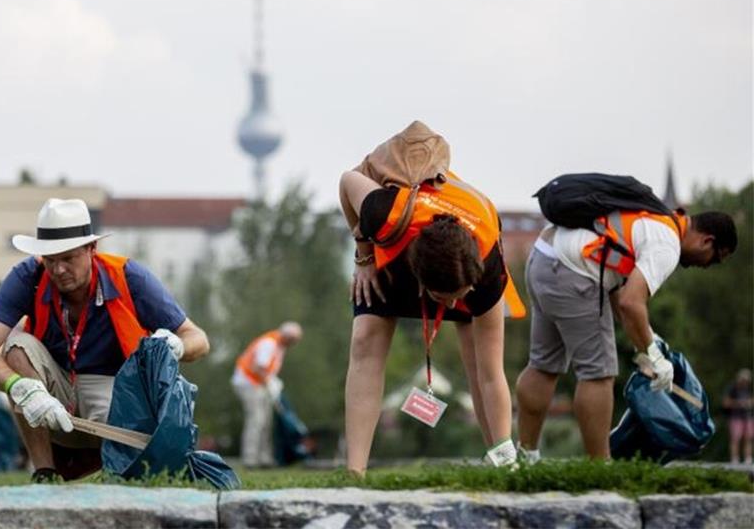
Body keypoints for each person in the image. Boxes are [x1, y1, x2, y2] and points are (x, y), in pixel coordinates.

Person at [0, 198, 210, 483]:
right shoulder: (27, 276)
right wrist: (20, 387)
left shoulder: (129, 277)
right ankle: (45, 473)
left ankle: (119, 467)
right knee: (18, 348)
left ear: (91, 249)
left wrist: (176, 346)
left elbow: (199, 340)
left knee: (133, 467)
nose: (58, 270)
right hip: (51, 390)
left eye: (68, 258)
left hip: (117, 391)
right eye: (51, 260)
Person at [339, 129, 526, 474]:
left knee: (480, 358)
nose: (452, 307)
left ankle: (501, 460)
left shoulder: (486, 270)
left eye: (459, 298)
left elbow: (492, 375)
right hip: (395, 250)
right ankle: (355, 472)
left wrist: (508, 455)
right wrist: (363, 256)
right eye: (446, 300)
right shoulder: (385, 215)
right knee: (367, 338)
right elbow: (348, 180)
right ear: (421, 285)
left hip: (462, 252)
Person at [515, 205, 737, 461]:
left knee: (543, 365)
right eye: (715, 258)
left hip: (543, 256)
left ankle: (526, 458)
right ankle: (599, 468)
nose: (708, 266)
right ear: (706, 241)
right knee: (598, 374)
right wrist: (653, 356)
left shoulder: (653, 218)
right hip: (573, 271)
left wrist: (648, 339)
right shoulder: (668, 244)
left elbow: (614, 285)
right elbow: (631, 303)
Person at [231, 322, 303, 467]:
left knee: (266, 421)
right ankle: (250, 459)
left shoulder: (279, 346)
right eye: (293, 340)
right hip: (249, 383)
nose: (293, 344)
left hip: (260, 384)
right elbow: (257, 367)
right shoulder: (269, 343)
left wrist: (271, 381)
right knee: (256, 420)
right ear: (287, 336)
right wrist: (270, 382)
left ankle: (264, 458)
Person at [723, 369, 753, 464]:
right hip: (735, 417)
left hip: (748, 417)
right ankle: (735, 459)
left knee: (748, 438)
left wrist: (749, 403)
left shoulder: (748, 389)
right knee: (735, 438)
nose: (745, 382)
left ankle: (748, 458)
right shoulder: (732, 389)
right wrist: (739, 403)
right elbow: (726, 403)